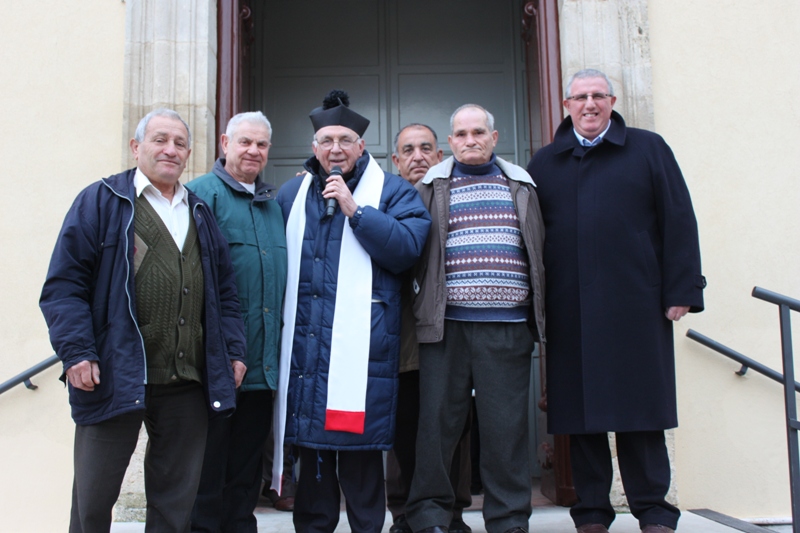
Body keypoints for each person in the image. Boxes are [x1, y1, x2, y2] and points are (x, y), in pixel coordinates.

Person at [39, 108, 247, 533]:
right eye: (160, 140)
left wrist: (234, 351)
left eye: (179, 143)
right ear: (136, 147)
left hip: (187, 382)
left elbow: (225, 294)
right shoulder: (101, 201)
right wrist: (77, 352)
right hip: (114, 373)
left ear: (188, 154)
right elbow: (64, 286)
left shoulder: (200, 212)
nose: (170, 149)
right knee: (93, 503)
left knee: (175, 508)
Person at [526, 68, 705, 533]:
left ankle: (654, 511)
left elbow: (678, 218)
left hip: (637, 303)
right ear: (566, 105)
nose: (589, 104)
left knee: (640, 412)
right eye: (580, 97)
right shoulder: (544, 162)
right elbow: (530, 235)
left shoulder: (649, 148)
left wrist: (683, 290)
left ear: (612, 101)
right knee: (581, 416)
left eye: (597, 96)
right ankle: (590, 513)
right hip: (569, 308)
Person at [273, 90, 431, 533]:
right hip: (307, 350)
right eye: (327, 140)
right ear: (314, 147)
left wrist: (354, 210)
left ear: (362, 146)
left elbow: (407, 249)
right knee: (314, 463)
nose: (336, 149)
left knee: (361, 464)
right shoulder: (292, 193)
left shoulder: (393, 191)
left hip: (363, 356)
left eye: (345, 140)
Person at [406, 104, 546, 533]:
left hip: (508, 328)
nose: (471, 140)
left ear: (493, 137)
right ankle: (430, 517)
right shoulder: (430, 186)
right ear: (451, 142)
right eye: (462, 134)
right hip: (444, 328)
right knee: (437, 427)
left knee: (506, 430)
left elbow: (539, 250)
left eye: (479, 132)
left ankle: (508, 519)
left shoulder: (521, 184)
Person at [188, 111, 287, 533]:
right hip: (216, 368)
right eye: (245, 142)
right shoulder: (199, 196)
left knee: (246, 475)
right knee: (207, 473)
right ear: (225, 143)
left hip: (262, 369)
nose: (253, 151)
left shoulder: (273, 206)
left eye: (261, 144)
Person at [386, 124, 473, 533]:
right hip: (400, 336)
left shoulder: (456, 196)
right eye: (408, 150)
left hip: (450, 334)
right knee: (403, 425)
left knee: (452, 424)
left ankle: (452, 512)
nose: (418, 156)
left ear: (440, 156)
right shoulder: (383, 199)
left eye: (426, 148)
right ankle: (404, 511)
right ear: (396, 160)